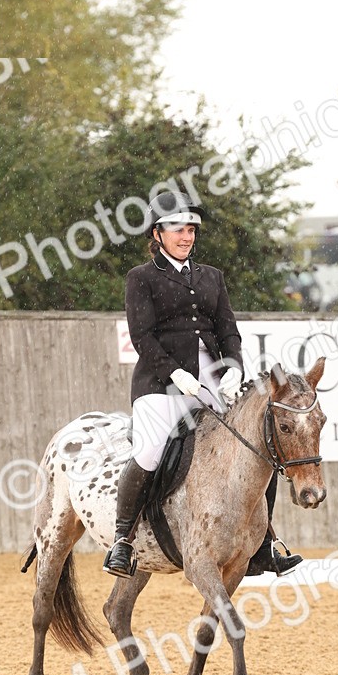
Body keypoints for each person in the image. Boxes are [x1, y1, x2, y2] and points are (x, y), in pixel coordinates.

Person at [102, 190, 302, 579]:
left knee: (259, 447)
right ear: (157, 233)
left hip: (213, 383)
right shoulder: (140, 278)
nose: (186, 236)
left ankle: (264, 546)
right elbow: (142, 336)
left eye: (190, 228)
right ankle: (123, 540)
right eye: (177, 229)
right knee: (149, 452)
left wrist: (232, 370)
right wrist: (174, 373)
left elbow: (228, 330)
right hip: (161, 386)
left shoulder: (212, 276)